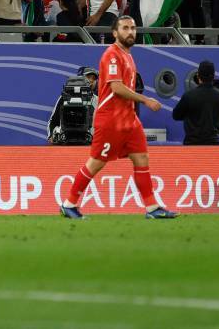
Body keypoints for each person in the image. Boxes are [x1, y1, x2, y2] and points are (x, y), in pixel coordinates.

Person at [60, 16, 178, 220]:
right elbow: (116, 88)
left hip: (129, 120)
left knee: (141, 158)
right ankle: (69, 204)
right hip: (111, 120)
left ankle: (152, 208)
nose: (130, 32)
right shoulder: (112, 55)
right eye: (125, 28)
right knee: (96, 162)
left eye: (133, 28)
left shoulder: (128, 55)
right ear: (115, 33)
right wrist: (145, 100)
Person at [172, 61, 219, 146]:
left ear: (198, 76)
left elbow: (176, 115)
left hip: (192, 144)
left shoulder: (189, 95)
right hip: (214, 144)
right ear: (214, 76)